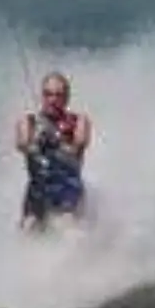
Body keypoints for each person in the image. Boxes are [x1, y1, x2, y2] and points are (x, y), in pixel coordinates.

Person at [15, 70, 93, 228]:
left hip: (68, 191)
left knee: (69, 229)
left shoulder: (79, 121)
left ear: (66, 98)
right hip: (38, 193)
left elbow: (79, 146)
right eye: (48, 94)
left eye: (58, 95)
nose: (53, 100)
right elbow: (22, 143)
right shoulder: (28, 121)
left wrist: (56, 140)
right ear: (42, 96)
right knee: (28, 228)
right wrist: (35, 142)